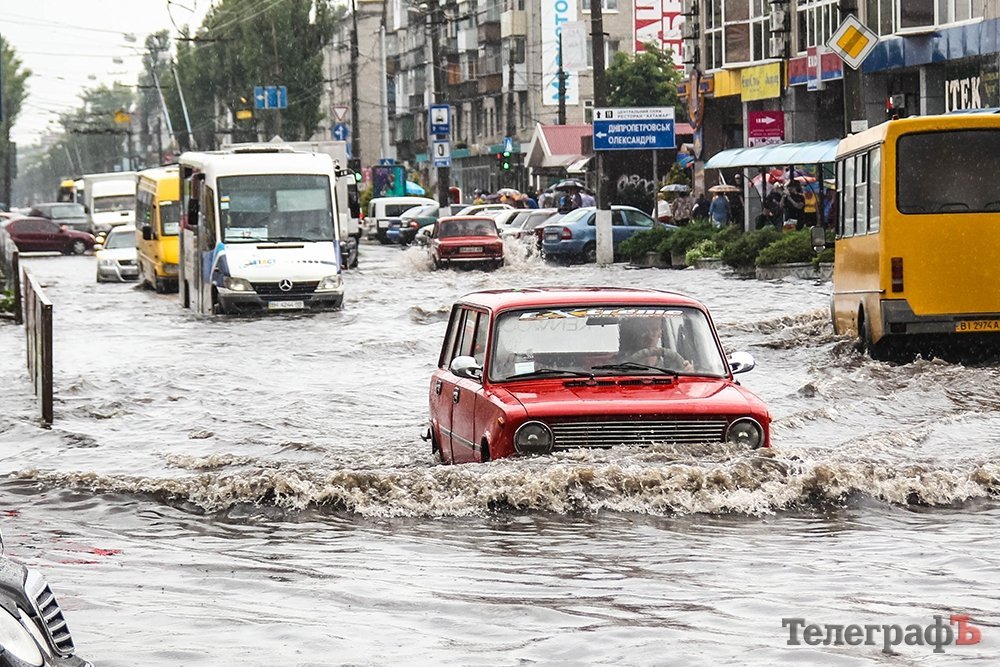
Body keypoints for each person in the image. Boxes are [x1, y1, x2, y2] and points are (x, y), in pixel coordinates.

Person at [618, 318, 692, 371]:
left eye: (654, 329)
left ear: (660, 333)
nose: (650, 335)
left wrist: (688, 370)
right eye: (644, 330)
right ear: (635, 334)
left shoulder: (671, 363)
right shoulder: (619, 364)